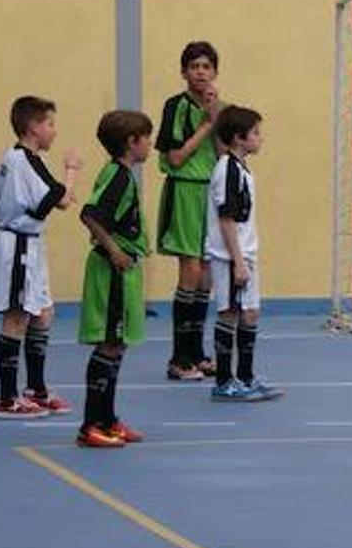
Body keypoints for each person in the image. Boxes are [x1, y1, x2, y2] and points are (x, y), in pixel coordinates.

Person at [0, 96, 81, 419]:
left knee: (43, 313)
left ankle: (36, 389)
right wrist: (71, 171)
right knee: (17, 317)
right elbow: (60, 200)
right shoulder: (23, 161)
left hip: (30, 244)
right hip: (17, 246)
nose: (54, 131)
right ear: (33, 127)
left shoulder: (12, 159)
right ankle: (7, 398)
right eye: (50, 124)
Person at [75, 110, 154, 447]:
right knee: (109, 342)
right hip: (112, 271)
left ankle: (108, 419)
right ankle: (91, 424)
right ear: (131, 143)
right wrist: (114, 249)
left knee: (117, 344)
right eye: (146, 138)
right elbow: (90, 214)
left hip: (123, 270)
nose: (150, 144)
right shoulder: (118, 177)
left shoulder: (121, 175)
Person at [158, 42, 224, 380]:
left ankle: (197, 354)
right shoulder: (175, 107)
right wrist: (206, 126)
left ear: (215, 72)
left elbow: (226, 153)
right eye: (194, 66)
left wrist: (217, 121)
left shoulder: (219, 109)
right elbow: (175, 158)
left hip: (212, 193)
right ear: (184, 72)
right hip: (185, 189)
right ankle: (178, 359)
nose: (200, 72)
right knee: (191, 271)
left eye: (206, 66)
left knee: (207, 278)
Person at [206, 106, 281, 402]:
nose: (260, 139)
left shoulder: (242, 168)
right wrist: (237, 260)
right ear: (239, 138)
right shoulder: (227, 169)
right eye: (256, 133)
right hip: (229, 256)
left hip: (246, 252)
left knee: (250, 313)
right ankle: (224, 381)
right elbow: (226, 218)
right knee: (229, 313)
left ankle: (246, 376)